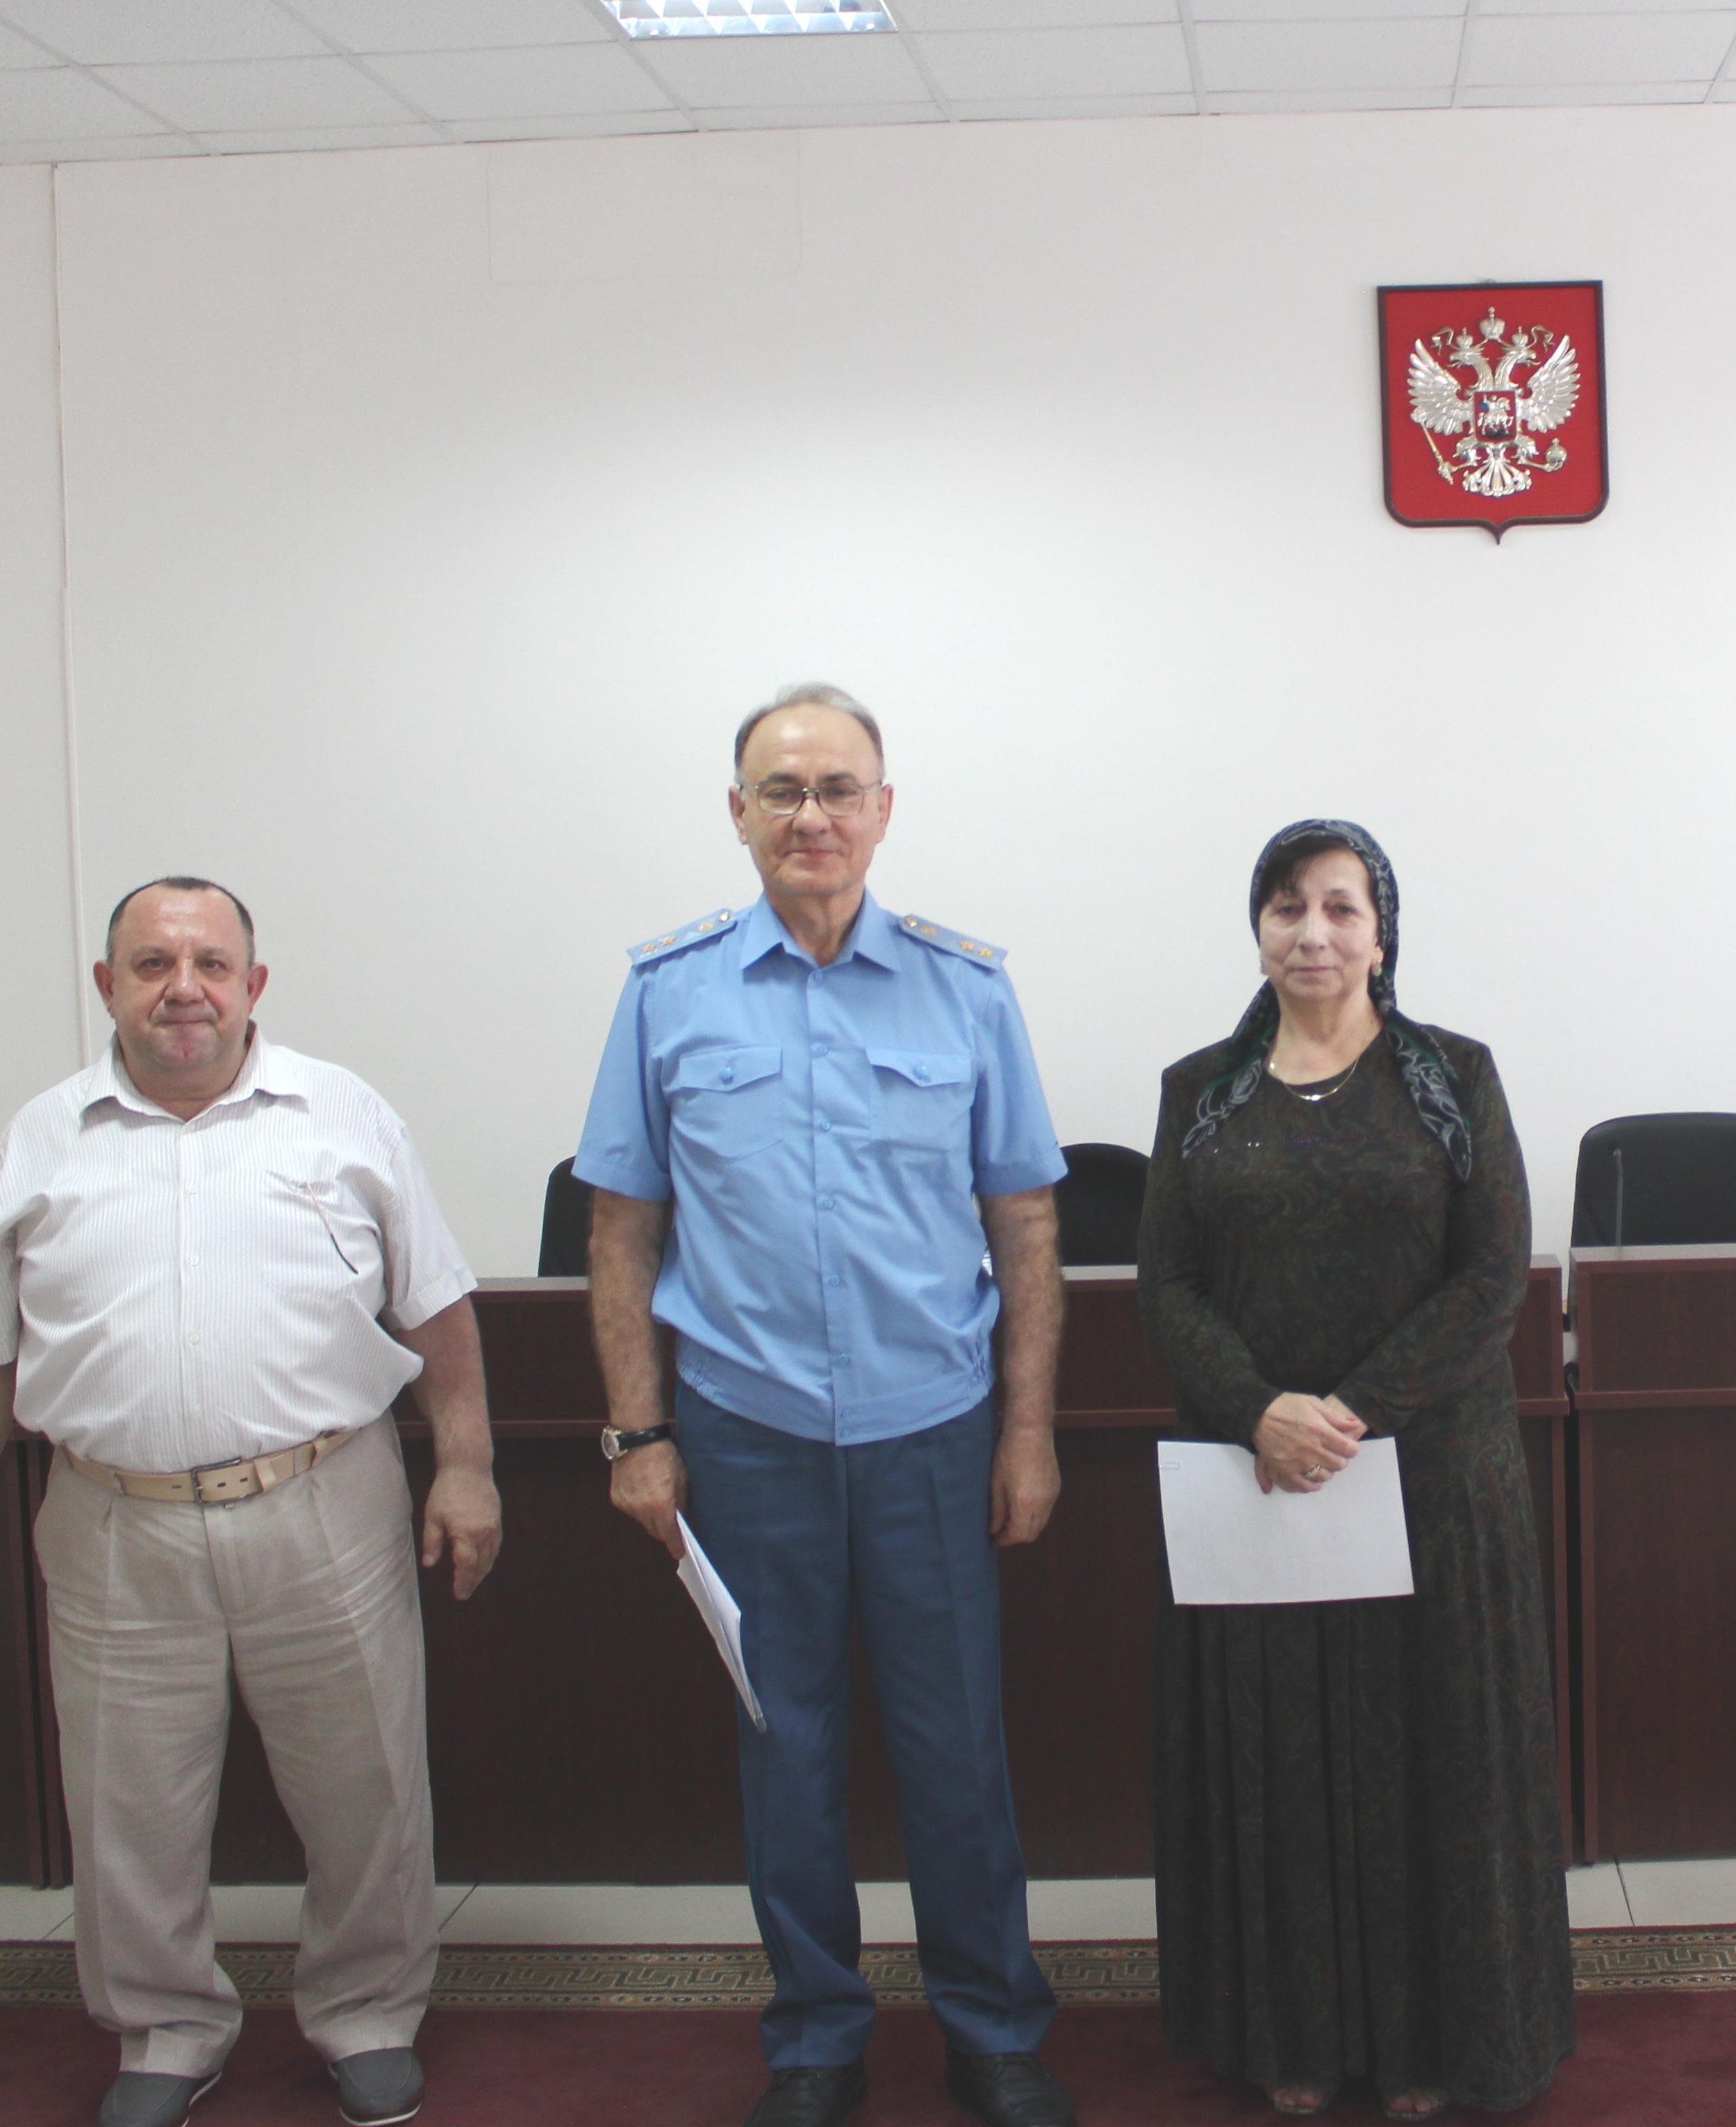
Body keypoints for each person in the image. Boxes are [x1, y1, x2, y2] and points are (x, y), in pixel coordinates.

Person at [0, 877, 502, 2127]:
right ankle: (164, 2027)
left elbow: (436, 1303)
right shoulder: (45, 1134)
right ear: (107, 986)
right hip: (112, 1518)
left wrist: (467, 1466)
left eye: (211, 964)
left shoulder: (343, 1113)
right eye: (153, 964)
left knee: (366, 1786)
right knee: (127, 1803)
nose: (185, 988)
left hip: (324, 1502)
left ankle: (367, 2012)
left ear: (253, 984)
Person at [573, 684, 1080, 2127]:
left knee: (956, 1751)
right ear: (737, 813)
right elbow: (621, 1232)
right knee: (784, 1754)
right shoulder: (669, 990)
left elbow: (1027, 1226)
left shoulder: (965, 989)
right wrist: (639, 1435)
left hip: (933, 1432)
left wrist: (1028, 1432)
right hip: (748, 1437)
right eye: (782, 790)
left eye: (838, 788)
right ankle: (813, 2041)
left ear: (884, 810)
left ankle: (993, 2031)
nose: (812, 816)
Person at [1138, 821, 1574, 2120]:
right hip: (1262, 1487)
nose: (1313, 933)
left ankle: (1439, 2040)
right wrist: (1260, 1411)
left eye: (1341, 907)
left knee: (1432, 1760)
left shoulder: (1455, 1076)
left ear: (1383, 931)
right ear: (1257, 928)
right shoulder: (1199, 1092)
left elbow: (1493, 1278)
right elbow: (1167, 1286)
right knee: (1281, 1758)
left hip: (1434, 1485)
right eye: (1287, 907)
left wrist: (1348, 1413)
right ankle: (1300, 2033)